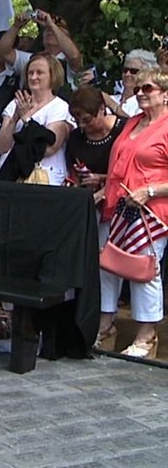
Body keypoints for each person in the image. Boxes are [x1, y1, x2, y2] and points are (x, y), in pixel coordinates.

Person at [100, 68, 168, 359]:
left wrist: (150, 191)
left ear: (165, 94)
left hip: (151, 211)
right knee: (108, 265)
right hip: (119, 207)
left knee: (143, 271)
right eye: (138, 87)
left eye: (148, 88)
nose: (140, 92)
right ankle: (105, 327)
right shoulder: (133, 123)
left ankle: (147, 336)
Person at [0, 53, 74, 185]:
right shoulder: (15, 103)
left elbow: (49, 148)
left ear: (52, 76)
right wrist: (14, 120)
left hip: (45, 178)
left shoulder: (60, 107)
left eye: (39, 73)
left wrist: (26, 120)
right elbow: (2, 147)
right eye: (30, 73)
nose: (33, 77)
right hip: (11, 178)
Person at [66, 86, 122, 193]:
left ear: (101, 109)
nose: (82, 125)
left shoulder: (124, 131)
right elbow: (74, 176)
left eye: (87, 120)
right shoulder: (76, 138)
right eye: (77, 121)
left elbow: (131, 173)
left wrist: (102, 178)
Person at [104, 49, 156, 118]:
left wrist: (113, 105)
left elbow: (135, 125)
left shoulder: (144, 103)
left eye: (134, 71)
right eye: (125, 70)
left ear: (146, 74)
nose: (127, 74)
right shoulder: (111, 98)